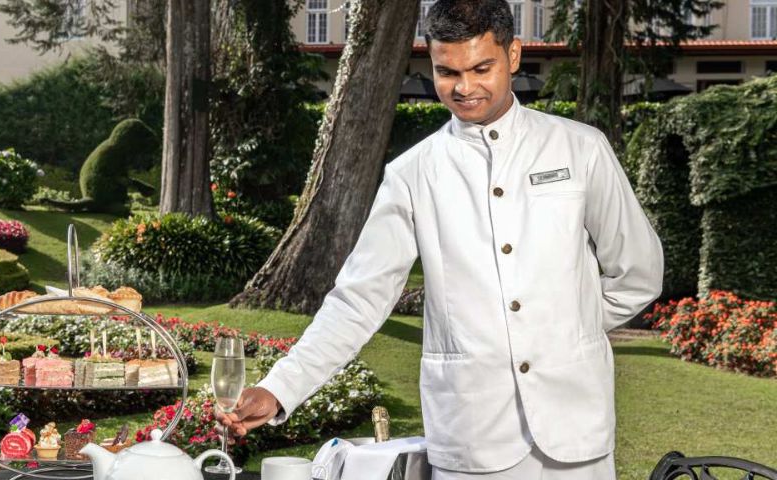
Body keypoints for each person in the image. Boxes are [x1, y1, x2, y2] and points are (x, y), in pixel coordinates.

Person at [215, 0, 664, 478]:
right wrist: (280, 387)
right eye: (447, 72)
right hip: (472, 436)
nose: (465, 87)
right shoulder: (412, 175)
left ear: (513, 55)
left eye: (481, 68)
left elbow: (638, 271)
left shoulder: (581, 148)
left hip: (576, 429)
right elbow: (358, 300)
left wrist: (567, 326)